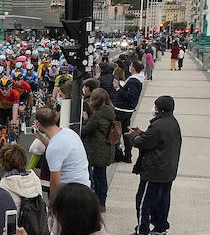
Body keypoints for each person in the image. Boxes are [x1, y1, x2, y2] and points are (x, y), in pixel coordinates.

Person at [130, 95, 182, 235]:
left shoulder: (158, 125)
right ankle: (160, 229)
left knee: (143, 201)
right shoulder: (173, 122)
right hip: (168, 171)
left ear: (160, 108)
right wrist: (141, 132)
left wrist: (134, 136)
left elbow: (144, 143)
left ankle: (143, 231)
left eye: (155, 106)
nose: (154, 108)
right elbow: (155, 139)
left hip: (154, 171)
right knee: (162, 201)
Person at [36, 106, 90, 197]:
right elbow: (59, 150)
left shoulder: (54, 147)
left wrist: (53, 205)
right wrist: (41, 138)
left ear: (38, 123)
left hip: (69, 193)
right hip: (84, 186)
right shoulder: (69, 132)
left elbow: (55, 183)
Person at [80, 80, 116, 212]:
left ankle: (100, 202)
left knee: (98, 178)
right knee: (101, 176)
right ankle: (101, 200)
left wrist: (85, 120)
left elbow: (86, 130)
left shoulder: (97, 115)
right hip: (106, 149)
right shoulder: (109, 111)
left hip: (97, 149)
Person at [112, 59, 144, 163]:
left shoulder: (133, 81)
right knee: (126, 132)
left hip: (122, 109)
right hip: (128, 109)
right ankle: (127, 155)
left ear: (133, 68)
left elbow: (130, 96)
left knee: (116, 132)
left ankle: (119, 154)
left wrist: (118, 88)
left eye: (131, 65)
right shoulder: (138, 80)